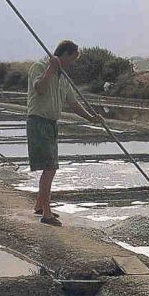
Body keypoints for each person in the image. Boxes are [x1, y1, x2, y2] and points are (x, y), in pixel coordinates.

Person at [27, 40, 103, 226]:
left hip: (52, 124)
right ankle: (46, 214)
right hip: (38, 122)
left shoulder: (64, 77)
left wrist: (91, 118)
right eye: (72, 58)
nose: (72, 63)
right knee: (50, 167)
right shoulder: (40, 67)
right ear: (65, 54)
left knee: (49, 166)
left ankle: (39, 205)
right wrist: (51, 70)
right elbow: (40, 89)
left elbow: (73, 103)